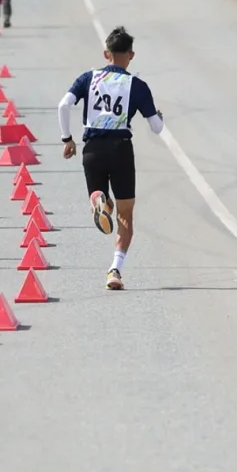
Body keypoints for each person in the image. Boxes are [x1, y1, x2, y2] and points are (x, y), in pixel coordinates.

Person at [59, 26, 163, 292]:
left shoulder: (87, 78)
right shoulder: (136, 86)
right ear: (131, 55)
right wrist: (159, 117)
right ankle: (115, 270)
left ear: (106, 53)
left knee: (97, 194)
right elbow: (156, 127)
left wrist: (67, 139)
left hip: (92, 148)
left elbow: (63, 105)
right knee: (125, 214)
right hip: (120, 148)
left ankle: (98, 200)